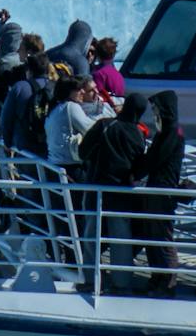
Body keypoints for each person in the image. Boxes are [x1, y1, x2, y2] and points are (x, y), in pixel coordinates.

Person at [76, 92, 153, 292]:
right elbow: (137, 166)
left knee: (91, 236)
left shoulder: (104, 125)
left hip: (95, 188)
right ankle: (121, 282)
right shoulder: (138, 134)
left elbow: (83, 152)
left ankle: (91, 280)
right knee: (121, 239)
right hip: (121, 193)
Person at [138, 90, 186, 295]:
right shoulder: (166, 131)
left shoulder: (171, 133)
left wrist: (138, 170)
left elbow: (155, 159)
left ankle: (168, 281)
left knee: (162, 235)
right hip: (157, 187)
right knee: (152, 234)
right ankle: (158, 276)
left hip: (163, 189)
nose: (153, 112)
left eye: (156, 108)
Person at [90, 37, 126, 104]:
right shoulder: (118, 74)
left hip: (107, 108)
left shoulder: (98, 74)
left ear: (97, 54)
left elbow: (97, 96)